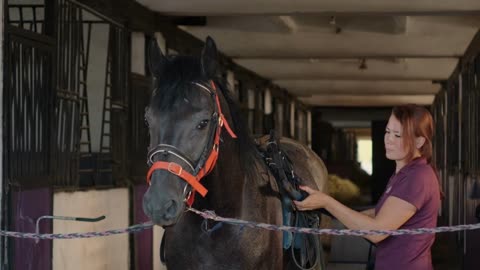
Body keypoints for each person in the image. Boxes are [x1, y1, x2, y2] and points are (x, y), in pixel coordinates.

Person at [294, 104, 441, 270]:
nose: (388, 139)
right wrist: (335, 219)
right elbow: (381, 212)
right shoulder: (403, 174)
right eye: (387, 132)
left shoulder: (417, 178)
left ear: (419, 141)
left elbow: (377, 231)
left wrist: (327, 202)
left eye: (398, 135)